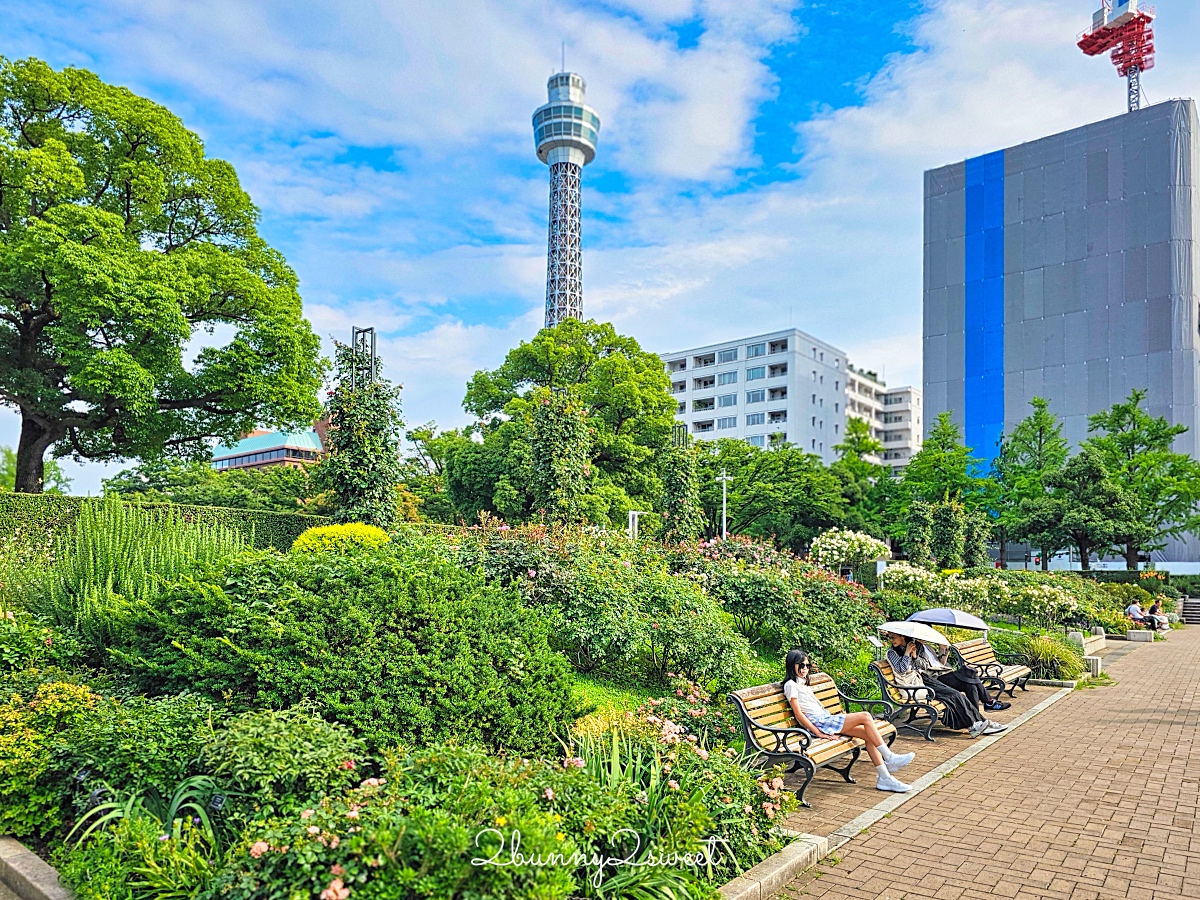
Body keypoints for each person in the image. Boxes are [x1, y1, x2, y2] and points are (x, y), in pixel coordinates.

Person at [782, 649, 915, 794]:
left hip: (825, 719)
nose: (805, 669)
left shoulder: (802, 683)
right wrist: (819, 733)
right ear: (791, 665)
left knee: (867, 734)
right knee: (865, 716)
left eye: (807, 665)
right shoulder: (790, 685)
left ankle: (884, 777)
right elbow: (799, 715)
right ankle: (889, 757)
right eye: (801, 665)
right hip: (821, 723)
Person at [885, 633, 1005, 738]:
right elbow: (901, 670)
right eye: (890, 638)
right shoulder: (892, 653)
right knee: (954, 695)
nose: (891, 640)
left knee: (957, 694)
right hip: (916, 685)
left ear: (902, 636)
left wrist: (915, 655)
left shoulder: (919, 647)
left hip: (923, 679)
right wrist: (906, 654)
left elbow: (924, 666)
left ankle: (979, 723)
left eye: (893, 637)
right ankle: (976, 724)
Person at [925, 641, 1010, 712]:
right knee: (969, 672)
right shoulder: (916, 650)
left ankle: (975, 714)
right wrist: (913, 653)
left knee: (970, 685)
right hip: (935, 678)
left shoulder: (928, 647)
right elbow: (922, 669)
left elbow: (941, 663)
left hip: (944, 673)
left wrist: (943, 649)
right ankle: (989, 702)